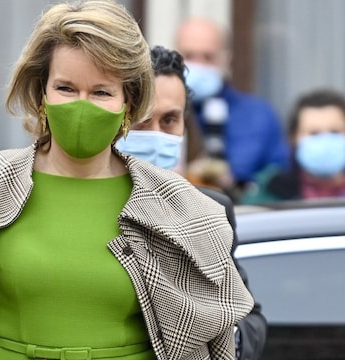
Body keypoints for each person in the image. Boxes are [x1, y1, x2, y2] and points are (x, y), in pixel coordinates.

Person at [0, 1, 254, 359]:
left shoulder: (177, 205)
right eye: (66, 88)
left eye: (102, 92)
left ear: (128, 103)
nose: (81, 107)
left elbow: (206, 337)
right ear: (41, 92)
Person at [117, 45, 267, 360]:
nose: (157, 134)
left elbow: (249, 318)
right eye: (143, 121)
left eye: (170, 120)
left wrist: (224, 338)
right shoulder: (80, 201)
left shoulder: (210, 209)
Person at [175, 17, 289, 192]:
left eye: (208, 57)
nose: (198, 65)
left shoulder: (259, 115)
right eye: (189, 56)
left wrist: (238, 185)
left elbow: (278, 181)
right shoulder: (158, 113)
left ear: (226, 59)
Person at [241, 89, 345, 204]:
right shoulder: (270, 190)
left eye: (335, 132)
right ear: (293, 138)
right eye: (314, 133)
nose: (326, 141)